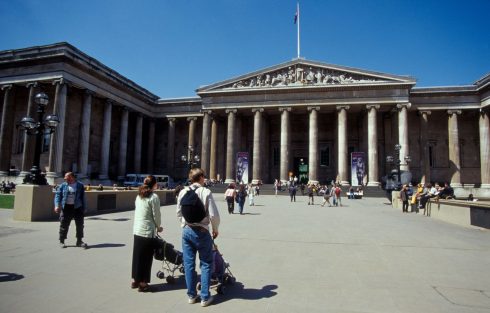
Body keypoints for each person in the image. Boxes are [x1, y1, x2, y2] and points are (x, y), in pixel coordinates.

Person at [177, 168, 220, 307]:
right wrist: (215, 229)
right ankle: (205, 297)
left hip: (186, 231)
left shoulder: (183, 191)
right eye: (204, 176)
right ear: (200, 177)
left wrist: (185, 224)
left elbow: (179, 212)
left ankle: (191, 295)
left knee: (188, 264)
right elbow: (213, 215)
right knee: (206, 263)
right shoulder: (205, 191)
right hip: (201, 231)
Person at [131, 175, 162, 292]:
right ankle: (143, 283)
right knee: (146, 258)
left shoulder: (139, 196)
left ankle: (135, 280)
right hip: (147, 231)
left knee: (137, 256)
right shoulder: (154, 197)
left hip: (137, 229)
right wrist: (159, 227)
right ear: (154, 184)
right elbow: (156, 215)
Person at [54, 172, 87, 249]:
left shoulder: (80, 185)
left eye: (67, 178)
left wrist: (84, 207)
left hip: (77, 207)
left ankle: (79, 241)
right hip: (66, 207)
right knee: (64, 225)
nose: (65, 179)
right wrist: (56, 205)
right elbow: (58, 195)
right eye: (65, 178)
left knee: (80, 225)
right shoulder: (63, 185)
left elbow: (83, 197)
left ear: (72, 177)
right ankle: (61, 241)